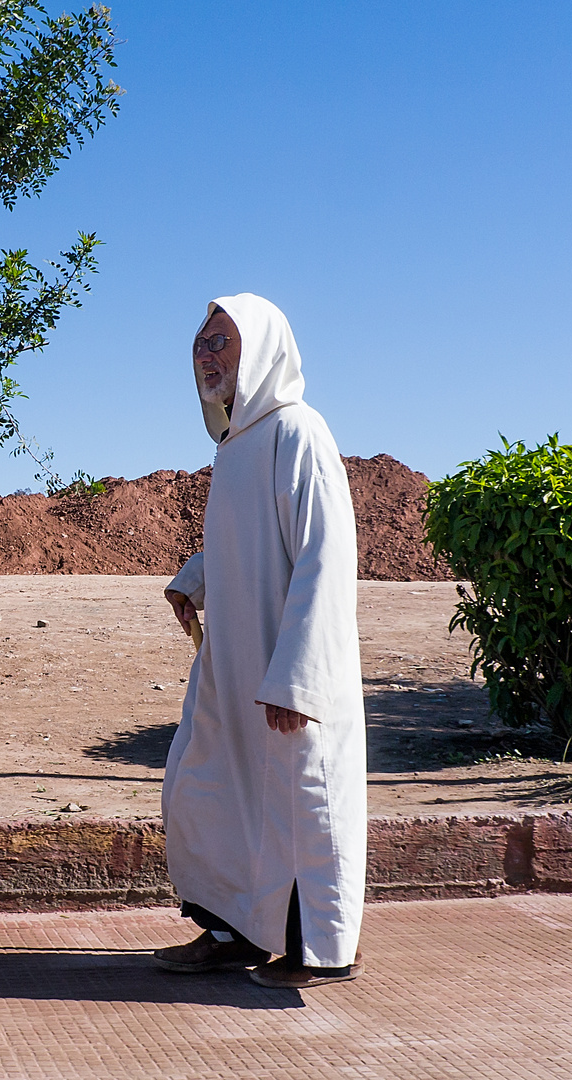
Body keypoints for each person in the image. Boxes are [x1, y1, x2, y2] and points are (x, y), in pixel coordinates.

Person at [150, 293, 367, 989]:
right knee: (209, 789)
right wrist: (194, 580)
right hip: (233, 665)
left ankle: (320, 951)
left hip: (285, 667)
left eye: (221, 342)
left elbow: (324, 560)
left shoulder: (298, 432)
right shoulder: (236, 445)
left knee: (299, 805)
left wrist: (296, 679)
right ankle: (232, 932)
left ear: (265, 347)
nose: (206, 355)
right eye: (201, 344)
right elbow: (240, 541)